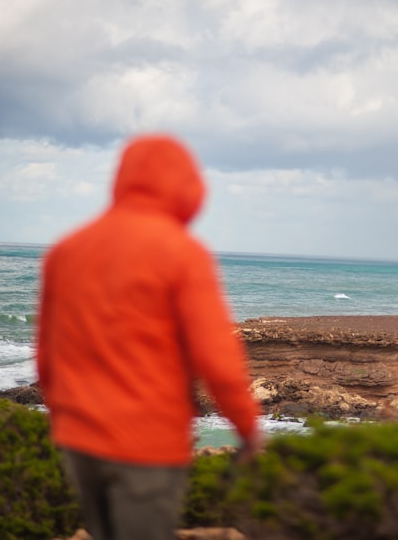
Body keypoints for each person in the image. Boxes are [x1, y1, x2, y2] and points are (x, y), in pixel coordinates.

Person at [36, 134, 263, 540]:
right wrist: (248, 430)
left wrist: (65, 418)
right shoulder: (182, 253)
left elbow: (47, 357)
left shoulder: (66, 250)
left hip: (78, 440)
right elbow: (217, 359)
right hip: (146, 443)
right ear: (186, 186)